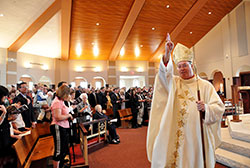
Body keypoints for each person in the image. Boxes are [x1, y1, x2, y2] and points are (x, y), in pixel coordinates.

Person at [146, 33, 225, 168]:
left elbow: (219, 107)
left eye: (185, 65)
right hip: (176, 131)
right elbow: (164, 76)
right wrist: (167, 53)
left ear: (192, 65)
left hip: (197, 134)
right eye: (179, 66)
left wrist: (206, 108)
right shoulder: (175, 83)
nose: (182, 69)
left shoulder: (205, 85)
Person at [50, 85, 73, 168]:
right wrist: (68, 116)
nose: (69, 96)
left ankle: (61, 164)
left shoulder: (61, 101)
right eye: (68, 94)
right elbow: (58, 117)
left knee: (63, 149)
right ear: (64, 94)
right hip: (58, 127)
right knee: (58, 150)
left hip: (63, 127)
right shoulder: (57, 102)